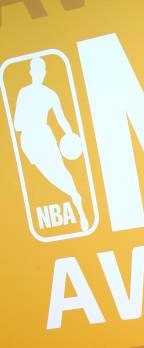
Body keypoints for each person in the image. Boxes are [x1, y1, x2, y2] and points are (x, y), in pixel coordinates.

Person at [14, 56, 89, 233]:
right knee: (50, 174)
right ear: (31, 72)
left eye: (42, 71)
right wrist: (30, 120)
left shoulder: (50, 94)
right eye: (36, 70)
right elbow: (17, 124)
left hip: (44, 136)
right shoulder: (23, 93)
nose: (39, 74)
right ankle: (74, 197)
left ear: (44, 73)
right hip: (29, 140)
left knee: (60, 170)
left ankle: (78, 205)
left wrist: (70, 135)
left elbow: (61, 118)